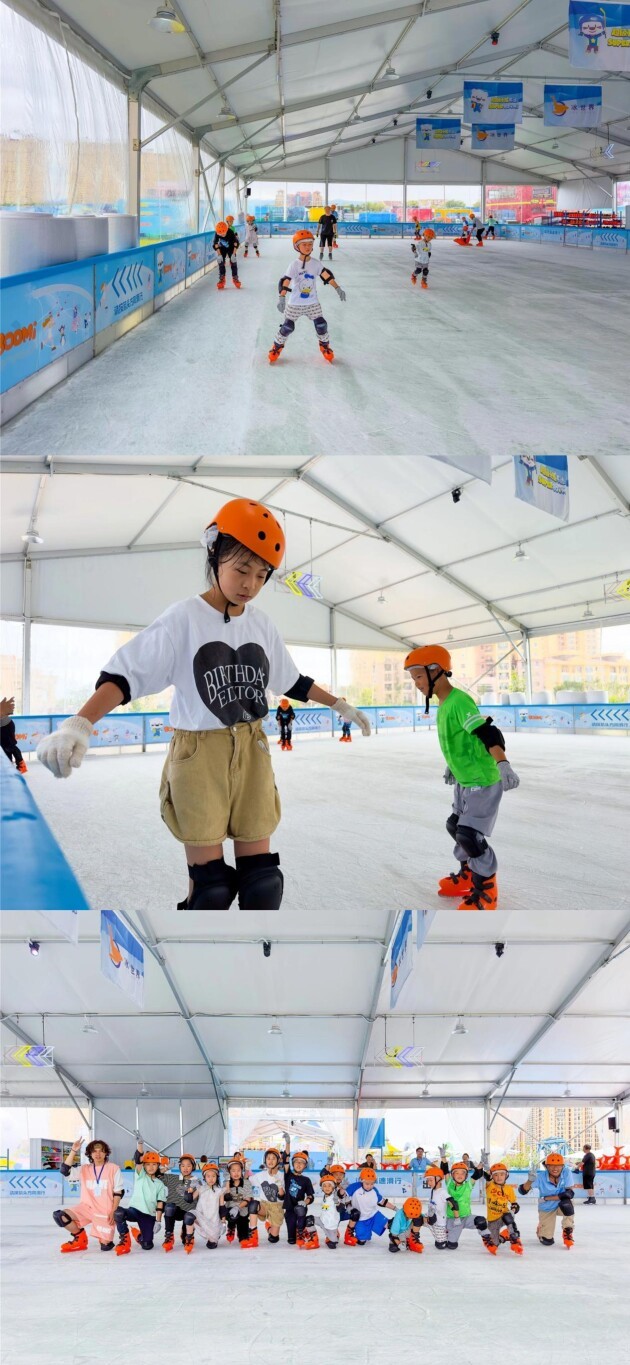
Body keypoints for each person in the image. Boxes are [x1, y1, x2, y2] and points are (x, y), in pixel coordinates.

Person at [36, 499, 370, 912]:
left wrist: (340, 704)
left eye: (262, 575)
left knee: (263, 884)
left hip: (253, 748)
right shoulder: (183, 618)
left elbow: (291, 680)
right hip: (198, 753)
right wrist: (79, 724)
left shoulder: (261, 624)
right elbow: (126, 675)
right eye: (241, 569)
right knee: (210, 890)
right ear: (214, 555)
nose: (250, 584)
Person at [404, 645, 520, 911]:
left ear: (436, 671)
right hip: (464, 780)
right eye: (414, 679)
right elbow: (458, 742)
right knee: (455, 826)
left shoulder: (459, 701)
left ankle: (487, 888)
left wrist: (503, 763)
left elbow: (487, 734)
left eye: (419, 677)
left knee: (470, 835)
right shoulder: (443, 705)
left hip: (482, 779)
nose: (417, 684)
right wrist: (452, 765)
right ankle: (468, 873)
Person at [269, 228, 346, 365]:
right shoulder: (294, 265)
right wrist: (282, 298)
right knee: (287, 327)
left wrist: (338, 288)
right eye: (304, 244)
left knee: (321, 324)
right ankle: (276, 347)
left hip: (312, 303)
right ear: (297, 247)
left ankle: (325, 345)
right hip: (294, 303)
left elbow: (326, 276)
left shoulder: (316, 263)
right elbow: (285, 281)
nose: (308, 247)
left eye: (310, 244)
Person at [54, 1137, 124, 1253]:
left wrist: (113, 1211)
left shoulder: (114, 1168)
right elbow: (64, 1170)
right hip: (86, 1207)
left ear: (105, 1153)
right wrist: (73, 1150)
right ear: (90, 1154)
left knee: (106, 1246)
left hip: (104, 1211)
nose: (98, 1154)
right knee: (60, 1216)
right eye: (94, 1151)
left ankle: (105, 1239)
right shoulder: (84, 1169)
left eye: (101, 1150)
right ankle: (80, 1238)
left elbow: (118, 1192)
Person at [114, 1148, 167, 1254]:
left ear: (158, 1166)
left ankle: (138, 1235)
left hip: (149, 1215)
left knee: (147, 1245)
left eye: (154, 1164)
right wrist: (140, 1145)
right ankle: (124, 1240)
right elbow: (138, 1160)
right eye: (148, 1164)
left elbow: (161, 1203)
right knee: (119, 1213)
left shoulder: (160, 1184)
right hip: (135, 1211)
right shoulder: (140, 1176)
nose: (151, 1167)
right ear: (144, 1166)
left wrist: (158, 1220)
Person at [147, 1145, 198, 1253]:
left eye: (188, 1165)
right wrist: (167, 1168)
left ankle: (187, 1233)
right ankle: (169, 1236)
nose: (185, 1168)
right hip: (174, 1210)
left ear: (193, 1167)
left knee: (186, 1237)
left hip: (188, 1212)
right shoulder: (172, 1178)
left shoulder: (197, 1182)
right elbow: (155, 1174)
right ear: (179, 1167)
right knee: (169, 1207)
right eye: (183, 1165)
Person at [519, 1153, 576, 1249]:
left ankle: (567, 1231)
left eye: (558, 1166)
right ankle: (541, 1229)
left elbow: (569, 1194)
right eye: (551, 1165)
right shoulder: (541, 1177)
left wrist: (546, 1198)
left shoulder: (566, 1172)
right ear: (546, 1166)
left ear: (562, 1166)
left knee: (568, 1203)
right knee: (547, 1241)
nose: (555, 1168)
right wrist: (529, 1181)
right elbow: (522, 1191)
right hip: (546, 1207)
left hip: (560, 1204)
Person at [479, 1161, 523, 1255]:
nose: (499, 1177)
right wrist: (487, 1169)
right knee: (494, 1243)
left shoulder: (509, 1189)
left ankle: (514, 1239)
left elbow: (515, 1204)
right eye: (496, 1175)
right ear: (492, 1176)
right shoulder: (489, 1186)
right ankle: (504, 1235)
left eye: (502, 1174)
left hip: (504, 1217)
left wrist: (513, 1211)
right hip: (492, 1219)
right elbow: (487, 1178)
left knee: (508, 1216)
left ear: (506, 1175)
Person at [343, 1167, 396, 1246]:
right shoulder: (355, 1187)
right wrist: (347, 1204)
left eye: (372, 1183)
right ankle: (360, 1234)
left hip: (374, 1215)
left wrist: (396, 1209)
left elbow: (383, 1202)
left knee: (391, 1224)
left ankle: (398, 1238)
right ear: (361, 1180)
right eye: (367, 1184)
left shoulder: (374, 1190)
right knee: (361, 1241)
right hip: (360, 1219)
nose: (370, 1186)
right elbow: (342, 1195)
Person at [442, 1159, 487, 1250]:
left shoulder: (468, 1185)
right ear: (452, 1175)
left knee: (481, 1221)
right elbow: (445, 1170)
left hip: (466, 1217)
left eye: (463, 1173)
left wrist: (481, 1162)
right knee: (452, 1245)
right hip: (453, 1219)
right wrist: (443, 1158)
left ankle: (488, 1239)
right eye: (457, 1173)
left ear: (466, 1175)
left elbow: (476, 1174)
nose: (460, 1175)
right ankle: (448, 1232)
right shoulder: (449, 1183)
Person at [222, 1156, 259, 1247]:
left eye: (238, 1170)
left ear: (242, 1171)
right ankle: (231, 1226)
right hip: (230, 1210)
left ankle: (241, 1234)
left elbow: (248, 1199)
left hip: (242, 1210)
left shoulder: (246, 1183)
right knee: (232, 1217)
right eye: (233, 1171)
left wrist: (238, 1207)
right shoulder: (226, 1183)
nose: (236, 1173)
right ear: (229, 1172)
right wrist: (227, 1181)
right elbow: (227, 1197)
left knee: (243, 1234)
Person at [282, 1148, 315, 1246]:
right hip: (289, 1208)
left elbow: (310, 1196)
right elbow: (285, 1160)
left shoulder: (306, 1180)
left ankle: (300, 1231)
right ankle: (295, 1232)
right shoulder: (288, 1175)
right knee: (292, 1240)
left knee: (300, 1209)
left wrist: (305, 1202)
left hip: (300, 1208)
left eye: (302, 1162)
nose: (299, 1164)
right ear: (293, 1163)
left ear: (305, 1166)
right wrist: (287, 1144)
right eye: (296, 1162)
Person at [421, 1165, 458, 1249]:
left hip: (440, 1224)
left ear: (438, 1179)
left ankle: (447, 1235)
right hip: (431, 1219)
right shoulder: (433, 1191)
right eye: (427, 1180)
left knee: (440, 1245)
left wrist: (456, 1217)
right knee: (416, 1218)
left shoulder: (442, 1192)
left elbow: (452, 1202)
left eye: (430, 1180)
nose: (428, 1183)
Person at [254, 1147, 286, 1244]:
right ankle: (253, 1233)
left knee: (273, 1239)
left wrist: (280, 1186)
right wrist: (246, 1169)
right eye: (268, 1158)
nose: (270, 1161)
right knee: (253, 1205)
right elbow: (246, 1182)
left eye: (273, 1158)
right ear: (265, 1160)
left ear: (278, 1160)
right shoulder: (260, 1175)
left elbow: (282, 1196)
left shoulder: (282, 1176)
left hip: (277, 1207)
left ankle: (269, 1227)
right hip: (264, 1205)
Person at [190, 1162, 223, 1247]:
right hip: (201, 1217)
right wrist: (190, 1188)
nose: (211, 1179)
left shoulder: (220, 1191)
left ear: (217, 1177)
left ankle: (214, 1236)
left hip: (214, 1221)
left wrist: (223, 1223)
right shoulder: (200, 1188)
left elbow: (222, 1207)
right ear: (204, 1178)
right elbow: (190, 1199)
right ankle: (188, 1238)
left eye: (213, 1176)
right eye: (208, 1176)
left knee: (211, 1244)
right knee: (189, 1216)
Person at [310, 1172, 343, 1248]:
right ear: (322, 1188)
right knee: (309, 1219)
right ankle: (313, 1239)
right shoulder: (325, 1196)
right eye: (324, 1186)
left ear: (333, 1187)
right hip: (322, 1221)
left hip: (331, 1226)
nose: (327, 1188)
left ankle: (334, 1235)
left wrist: (337, 1202)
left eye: (329, 1185)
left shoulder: (335, 1197)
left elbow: (340, 1209)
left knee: (332, 1245)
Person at [0, 696, 27, 774]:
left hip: (6, 725)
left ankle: (21, 765)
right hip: (2, 726)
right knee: (4, 746)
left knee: (10, 745)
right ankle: (8, 765)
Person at [213, 219, 241, 290]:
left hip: (231, 247)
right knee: (220, 261)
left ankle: (235, 277)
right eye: (220, 234)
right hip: (222, 248)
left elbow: (236, 244)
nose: (222, 235)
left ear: (226, 230)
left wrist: (233, 254)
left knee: (233, 261)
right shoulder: (217, 233)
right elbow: (215, 244)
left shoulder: (230, 232)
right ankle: (222, 278)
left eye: (223, 233)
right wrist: (219, 255)